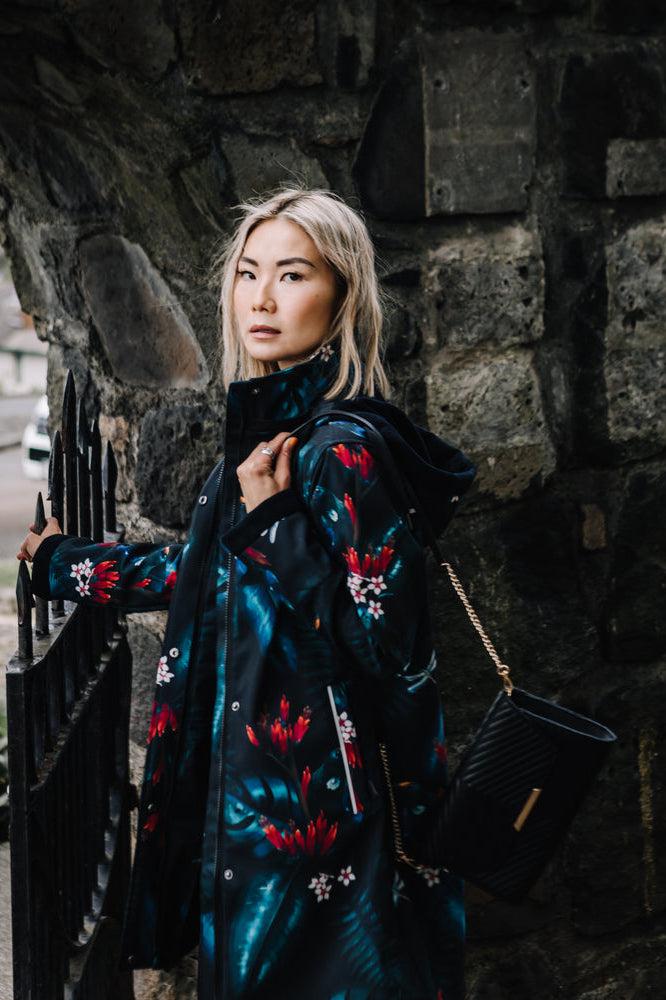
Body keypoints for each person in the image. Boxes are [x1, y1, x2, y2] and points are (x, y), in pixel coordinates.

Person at [19, 187, 477, 999]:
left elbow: (390, 651)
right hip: (258, 805)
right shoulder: (269, 438)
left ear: (341, 297)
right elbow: (207, 575)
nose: (262, 297)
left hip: (321, 823)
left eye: (293, 274)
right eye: (248, 273)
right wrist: (66, 564)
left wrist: (273, 521)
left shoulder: (339, 452)